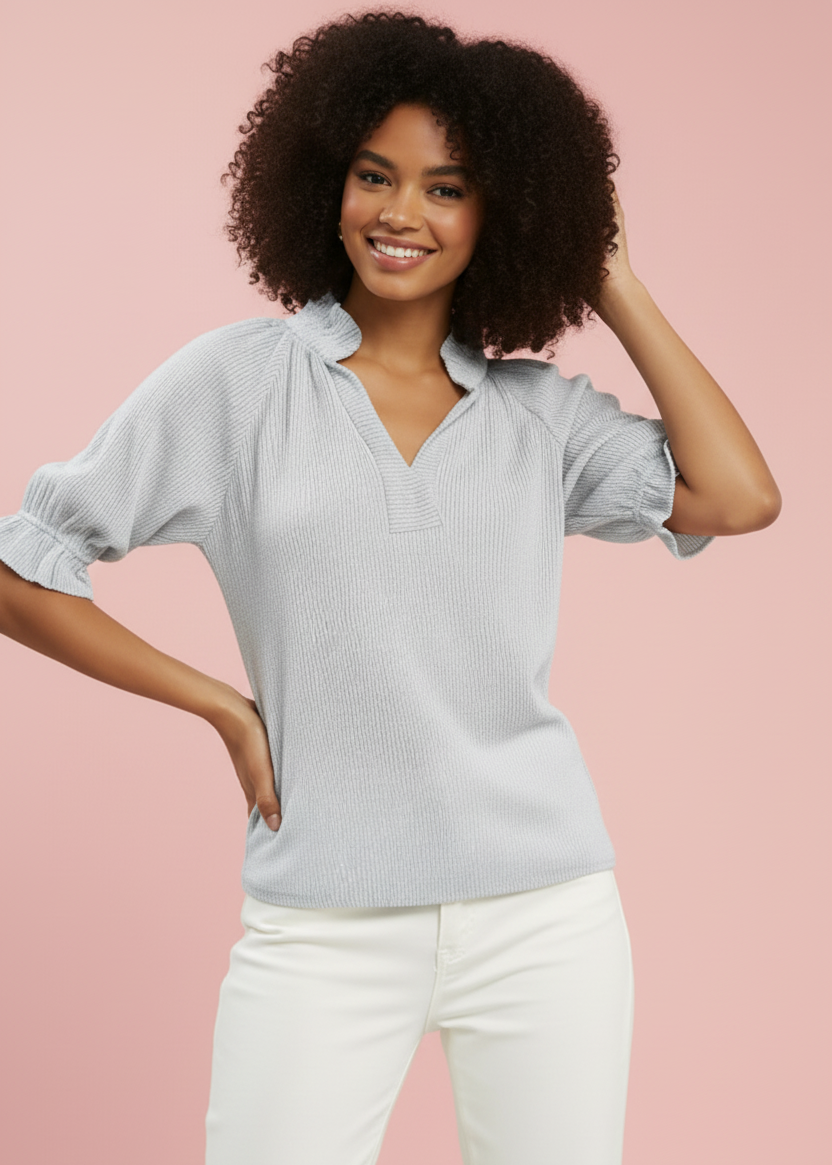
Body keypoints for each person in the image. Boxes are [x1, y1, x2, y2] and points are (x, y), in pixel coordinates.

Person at [0, 10, 781, 1165]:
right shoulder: (238, 386)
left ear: (502, 214)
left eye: (446, 188)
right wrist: (221, 706)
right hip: (324, 917)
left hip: (544, 915)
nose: (399, 213)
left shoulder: (536, 416)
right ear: (327, 183)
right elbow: (25, 565)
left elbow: (737, 496)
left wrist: (610, 277)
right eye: (374, 175)